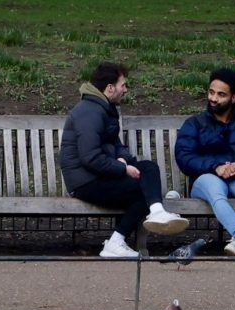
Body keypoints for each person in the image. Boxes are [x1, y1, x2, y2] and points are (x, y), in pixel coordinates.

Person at [60, 62, 189, 258]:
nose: (125, 90)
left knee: (148, 169)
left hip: (99, 175)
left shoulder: (103, 108)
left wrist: (124, 159)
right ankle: (121, 239)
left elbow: (116, 144)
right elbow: (90, 157)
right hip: (85, 182)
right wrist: (123, 170)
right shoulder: (89, 111)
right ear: (110, 88)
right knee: (144, 190)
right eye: (123, 85)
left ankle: (148, 218)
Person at [175, 68, 235, 256]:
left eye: (221, 94)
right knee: (215, 187)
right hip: (204, 179)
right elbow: (184, 157)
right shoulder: (194, 123)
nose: (213, 98)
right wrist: (215, 167)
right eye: (211, 92)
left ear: (234, 98)